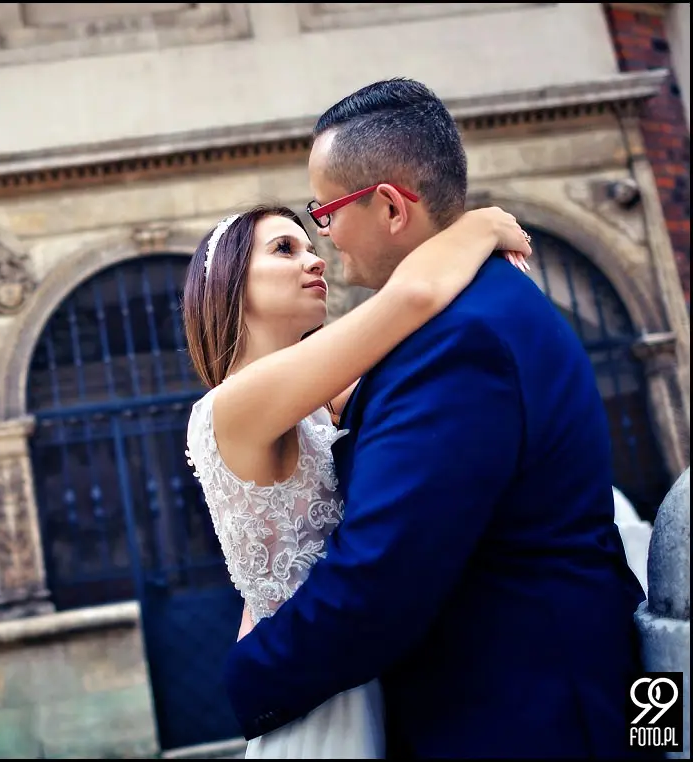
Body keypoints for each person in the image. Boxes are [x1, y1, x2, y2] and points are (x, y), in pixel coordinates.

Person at [218, 78, 652, 759]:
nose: (322, 240)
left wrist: (246, 679)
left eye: (324, 212)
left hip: (530, 718)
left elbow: (384, 579)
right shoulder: (474, 310)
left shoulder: (456, 340)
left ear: (391, 207)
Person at [182, 201, 532, 758]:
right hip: (321, 699)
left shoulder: (315, 400)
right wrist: (480, 224)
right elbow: (411, 300)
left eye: (311, 246)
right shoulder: (232, 405)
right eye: (284, 249)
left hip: (361, 665)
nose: (315, 260)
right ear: (231, 283)